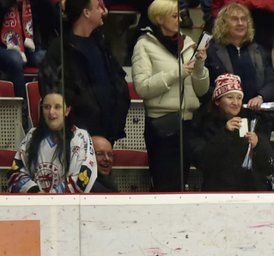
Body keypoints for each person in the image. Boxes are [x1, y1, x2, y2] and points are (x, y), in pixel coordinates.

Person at [131, 0, 210, 192]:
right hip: (162, 125)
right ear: (159, 18)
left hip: (188, 124)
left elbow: (201, 90)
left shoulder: (188, 44)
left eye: (180, 15)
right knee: (165, 187)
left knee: (182, 184)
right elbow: (142, 87)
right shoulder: (144, 45)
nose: (180, 20)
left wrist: (200, 66)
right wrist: (178, 72)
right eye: (175, 16)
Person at [40, 0, 131, 145]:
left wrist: (118, 111)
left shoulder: (101, 44)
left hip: (108, 133)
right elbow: (54, 92)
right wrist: (82, 124)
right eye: (98, 7)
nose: (103, 11)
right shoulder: (59, 49)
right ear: (86, 13)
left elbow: (118, 80)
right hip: (75, 139)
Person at [188, 73, 274, 191]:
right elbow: (202, 162)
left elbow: (271, 166)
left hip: (252, 194)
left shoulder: (253, 122)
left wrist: (258, 145)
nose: (236, 103)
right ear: (217, 101)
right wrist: (225, 133)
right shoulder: (203, 124)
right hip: (218, 194)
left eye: (239, 98)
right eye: (230, 97)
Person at [205, 2, 274, 138]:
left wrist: (261, 96)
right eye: (234, 19)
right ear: (223, 24)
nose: (240, 23)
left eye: (243, 19)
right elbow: (207, 88)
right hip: (224, 120)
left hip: (257, 118)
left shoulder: (258, 50)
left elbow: (272, 81)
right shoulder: (212, 51)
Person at [9, 90, 97, 193]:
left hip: (68, 207)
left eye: (57, 107)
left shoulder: (80, 137)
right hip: (35, 205)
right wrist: (35, 192)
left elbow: (84, 175)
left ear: (67, 110)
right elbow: (16, 173)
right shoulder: (32, 136)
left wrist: (52, 197)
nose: (51, 112)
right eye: (46, 107)